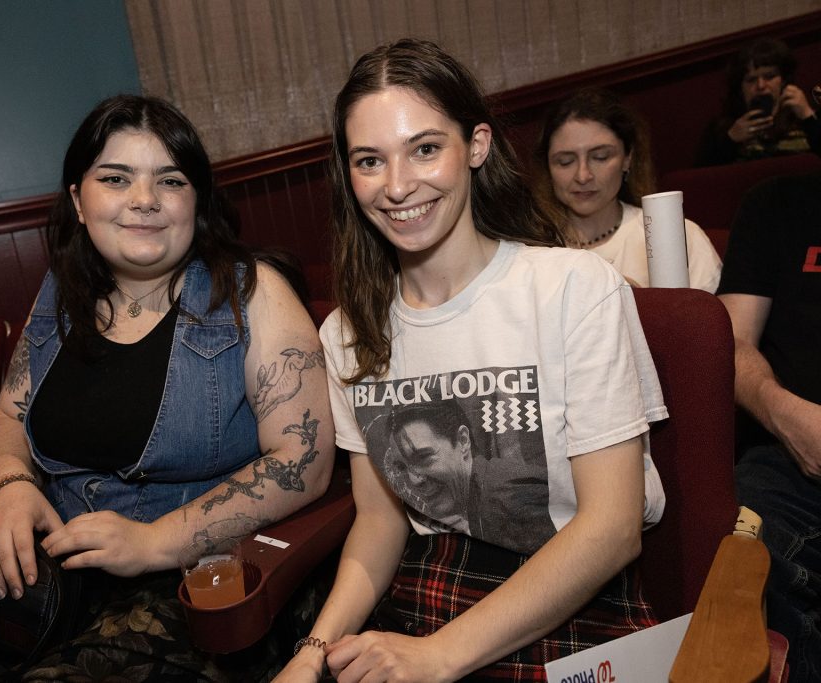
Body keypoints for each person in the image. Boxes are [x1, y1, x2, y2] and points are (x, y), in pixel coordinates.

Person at [275, 39, 668, 682]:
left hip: (575, 589)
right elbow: (379, 525)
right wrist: (310, 655)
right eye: (370, 160)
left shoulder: (573, 287)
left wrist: (439, 656)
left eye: (425, 148)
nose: (398, 186)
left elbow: (613, 526)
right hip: (431, 589)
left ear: (476, 147)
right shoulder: (346, 333)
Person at [0, 94, 334, 681]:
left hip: (198, 584)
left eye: (169, 181)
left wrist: (155, 543)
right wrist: (10, 485)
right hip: (56, 579)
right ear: (78, 199)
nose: (144, 200)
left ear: (195, 203)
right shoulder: (57, 294)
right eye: (116, 178)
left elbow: (305, 460)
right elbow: (9, 416)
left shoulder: (253, 292)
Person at [716, 164, 821, 681]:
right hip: (790, 458)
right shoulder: (777, 204)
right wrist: (786, 415)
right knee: (736, 561)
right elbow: (729, 344)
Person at [533, 88, 722, 292]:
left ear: (627, 158)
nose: (583, 176)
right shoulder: (533, 250)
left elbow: (709, 321)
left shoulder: (679, 237)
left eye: (600, 157)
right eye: (565, 162)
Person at [697, 37, 819, 166]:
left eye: (769, 77)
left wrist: (808, 118)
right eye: (751, 80)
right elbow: (705, 176)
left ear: (783, 80)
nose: (761, 85)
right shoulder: (724, 127)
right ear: (740, 87)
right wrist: (730, 140)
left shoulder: (804, 115)